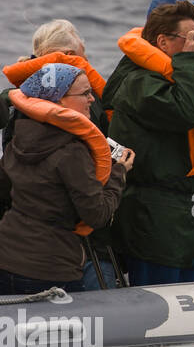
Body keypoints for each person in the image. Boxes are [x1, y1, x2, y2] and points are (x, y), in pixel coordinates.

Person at [101, 0, 194, 285]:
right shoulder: (140, 84)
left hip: (178, 212)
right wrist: (193, 60)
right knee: (160, 297)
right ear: (163, 42)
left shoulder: (169, 79)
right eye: (190, 38)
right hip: (153, 215)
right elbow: (187, 113)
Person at [0, 65, 133, 294]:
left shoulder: (19, 137)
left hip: (5, 256)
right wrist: (119, 173)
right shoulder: (71, 152)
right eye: (84, 94)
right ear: (59, 101)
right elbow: (97, 215)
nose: (92, 99)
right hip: (49, 267)